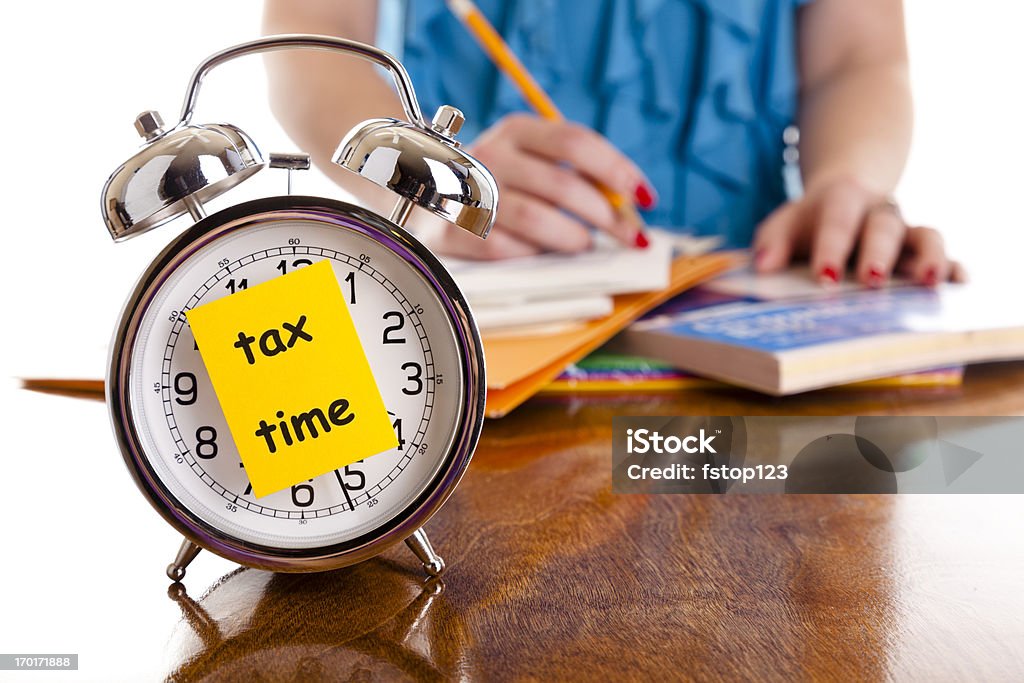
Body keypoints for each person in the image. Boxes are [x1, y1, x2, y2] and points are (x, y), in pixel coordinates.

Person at [263, 0, 961, 286]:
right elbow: (311, 36)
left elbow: (857, 62)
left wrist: (849, 185)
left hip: (744, 287)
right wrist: (421, 184)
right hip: (480, 283)